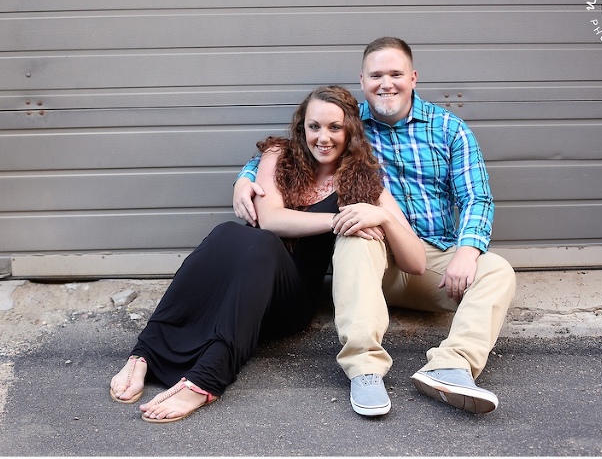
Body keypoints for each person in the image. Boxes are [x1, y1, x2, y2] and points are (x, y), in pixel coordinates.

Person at [233, 37, 517, 416]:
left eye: (396, 73)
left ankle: (452, 366)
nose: (387, 83)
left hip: (428, 256)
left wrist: (466, 253)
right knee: (354, 232)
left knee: (497, 269)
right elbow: (298, 149)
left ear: (413, 77)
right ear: (362, 80)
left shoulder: (449, 129)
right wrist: (245, 176)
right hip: (369, 255)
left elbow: (476, 198)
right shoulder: (349, 122)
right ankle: (364, 370)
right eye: (376, 75)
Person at [109, 85, 425, 423]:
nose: (323, 137)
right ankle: (144, 353)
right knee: (228, 233)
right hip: (250, 281)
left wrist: (384, 218)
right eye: (314, 126)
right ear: (301, 127)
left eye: (335, 127)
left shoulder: (361, 182)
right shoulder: (279, 155)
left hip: (290, 301)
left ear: (350, 130)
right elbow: (271, 219)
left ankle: (207, 379)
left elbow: (416, 262)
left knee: (258, 242)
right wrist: (339, 218)